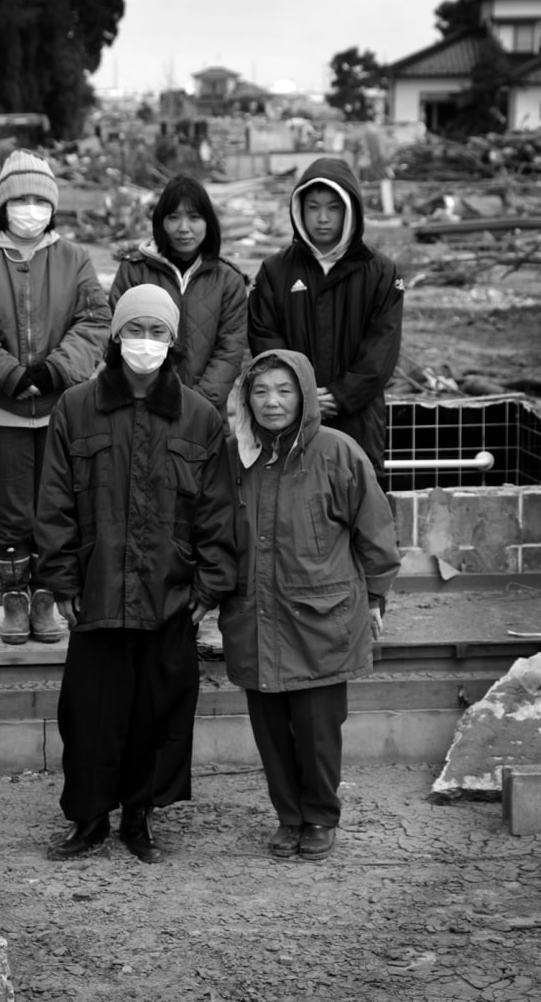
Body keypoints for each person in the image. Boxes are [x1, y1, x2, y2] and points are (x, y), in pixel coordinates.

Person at [35, 284, 237, 863]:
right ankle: (89, 818)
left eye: (157, 332)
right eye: (134, 330)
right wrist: (62, 580)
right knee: (91, 713)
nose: (144, 343)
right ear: (115, 335)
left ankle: (139, 817)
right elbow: (52, 504)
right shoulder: (75, 407)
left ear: (172, 341)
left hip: (168, 595)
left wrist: (208, 587)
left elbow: (218, 509)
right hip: (97, 592)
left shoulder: (200, 417)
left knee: (157, 711)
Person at [219, 349, 400, 861]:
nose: (272, 402)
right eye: (260, 391)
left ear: (303, 394)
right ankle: (288, 816)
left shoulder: (337, 452)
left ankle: (320, 815)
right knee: (271, 729)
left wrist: (377, 596)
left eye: (283, 390)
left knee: (318, 730)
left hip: (321, 617)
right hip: (255, 614)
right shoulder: (238, 456)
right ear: (245, 399)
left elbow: (375, 530)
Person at [0, 150, 111, 645]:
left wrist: (58, 368)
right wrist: (11, 375)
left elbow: (95, 319)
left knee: (56, 506)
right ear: (3, 204)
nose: (31, 208)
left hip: (63, 405)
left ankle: (46, 596)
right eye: (21, 198)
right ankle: (14, 597)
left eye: (41, 198)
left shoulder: (74, 257)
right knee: (15, 509)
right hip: (2, 405)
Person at [247, 157, 404, 480]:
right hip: (291, 418)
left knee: (359, 506)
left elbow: (382, 348)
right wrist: (301, 392)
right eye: (313, 207)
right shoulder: (275, 272)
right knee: (291, 509)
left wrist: (342, 395)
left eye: (333, 208)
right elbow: (265, 338)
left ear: (350, 211)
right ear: (298, 210)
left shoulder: (380, 272)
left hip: (359, 418)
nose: (322, 218)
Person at [110, 174, 248, 422]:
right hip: (139, 410)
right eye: (173, 217)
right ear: (161, 222)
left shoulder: (228, 280)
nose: (184, 228)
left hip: (205, 415)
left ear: (209, 222)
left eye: (194, 217)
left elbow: (230, 350)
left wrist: (197, 403)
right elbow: (115, 338)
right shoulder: (134, 271)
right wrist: (154, 399)